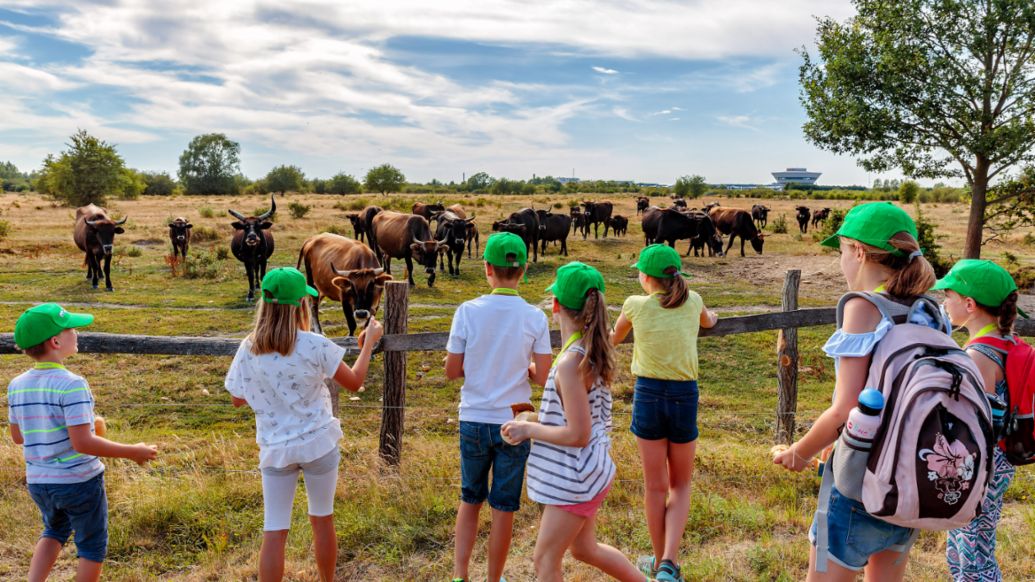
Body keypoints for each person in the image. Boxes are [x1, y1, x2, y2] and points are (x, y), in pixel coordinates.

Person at [773, 202, 940, 580]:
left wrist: (799, 453)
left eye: (842, 251)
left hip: (859, 482)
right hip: (909, 477)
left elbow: (846, 407)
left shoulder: (864, 308)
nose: (842, 262)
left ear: (859, 252)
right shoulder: (930, 309)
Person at [224, 267, 383, 582]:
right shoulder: (314, 344)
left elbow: (237, 398)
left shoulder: (249, 347)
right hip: (317, 443)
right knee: (322, 519)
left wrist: (268, 392)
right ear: (301, 305)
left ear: (266, 304)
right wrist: (368, 344)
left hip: (275, 448)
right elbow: (354, 382)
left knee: (274, 528)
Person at [503, 262, 646, 582]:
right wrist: (535, 417)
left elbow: (578, 434)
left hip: (575, 477)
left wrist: (529, 429)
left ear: (555, 305)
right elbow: (575, 418)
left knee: (545, 561)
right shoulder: (586, 351)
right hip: (588, 470)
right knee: (585, 549)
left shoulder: (570, 362)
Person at [7, 303, 159, 582]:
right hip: (78, 481)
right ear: (55, 341)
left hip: (40, 482)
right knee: (92, 545)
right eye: (71, 329)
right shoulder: (72, 384)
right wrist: (133, 451)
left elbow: (18, 437)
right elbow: (83, 443)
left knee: (53, 531)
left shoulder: (17, 384)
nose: (76, 333)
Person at [445, 232, 553, 582]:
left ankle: (461, 575)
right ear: (523, 271)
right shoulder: (534, 317)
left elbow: (451, 371)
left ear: (487, 268)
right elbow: (543, 377)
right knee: (503, 507)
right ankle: (494, 578)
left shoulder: (467, 311)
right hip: (515, 422)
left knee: (470, 499)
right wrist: (524, 366)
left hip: (474, 417)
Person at [610, 244, 718, 582]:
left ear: (645, 277)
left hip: (649, 394)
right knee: (680, 483)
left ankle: (660, 565)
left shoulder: (634, 305)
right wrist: (713, 319)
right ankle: (670, 561)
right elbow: (710, 321)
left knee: (654, 486)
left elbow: (614, 338)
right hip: (685, 395)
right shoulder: (694, 301)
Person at [935, 260, 1023, 581]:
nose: (944, 303)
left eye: (948, 295)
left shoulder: (978, 356)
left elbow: (974, 423)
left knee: (973, 554)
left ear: (969, 304)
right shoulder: (1005, 342)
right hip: (999, 463)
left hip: (980, 468)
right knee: (963, 547)